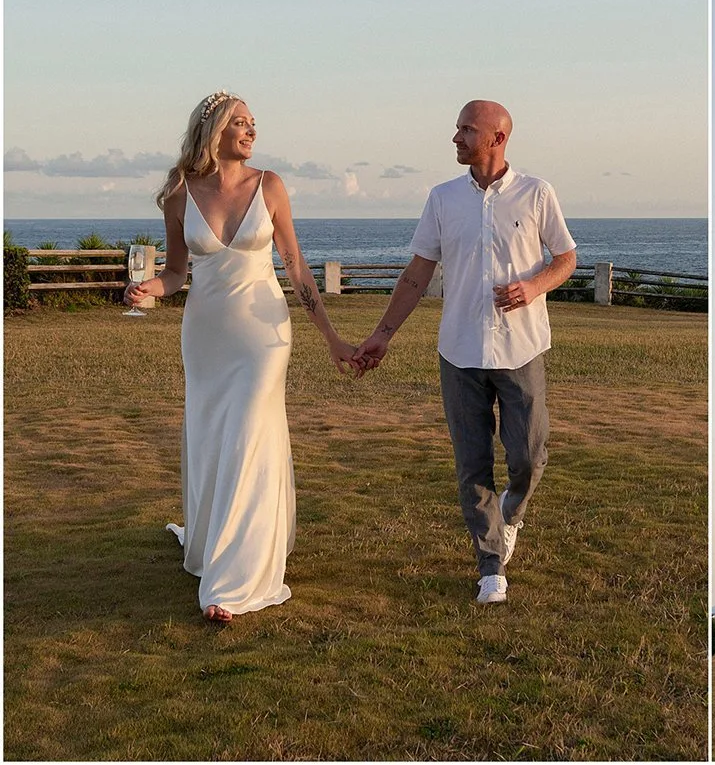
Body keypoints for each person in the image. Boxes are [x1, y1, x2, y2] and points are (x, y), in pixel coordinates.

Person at [127, 92, 359, 623]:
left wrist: (332, 338)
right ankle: (213, 543)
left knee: (252, 433)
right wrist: (149, 290)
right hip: (206, 335)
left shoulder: (269, 185)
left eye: (254, 123)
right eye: (239, 122)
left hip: (263, 335)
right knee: (214, 437)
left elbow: (298, 270)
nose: (251, 130)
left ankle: (232, 584)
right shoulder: (179, 194)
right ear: (212, 129)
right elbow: (176, 273)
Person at [353, 100, 576, 605]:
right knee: (471, 465)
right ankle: (491, 566)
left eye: (466, 129)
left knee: (528, 457)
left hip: (521, 351)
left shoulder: (537, 193)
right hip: (459, 354)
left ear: (497, 138)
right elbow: (417, 274)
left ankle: (510, 515)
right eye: (457, 127)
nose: (455, 136)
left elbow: (566, 258)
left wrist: (533, 286)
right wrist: (383, 333)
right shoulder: (442, 198)